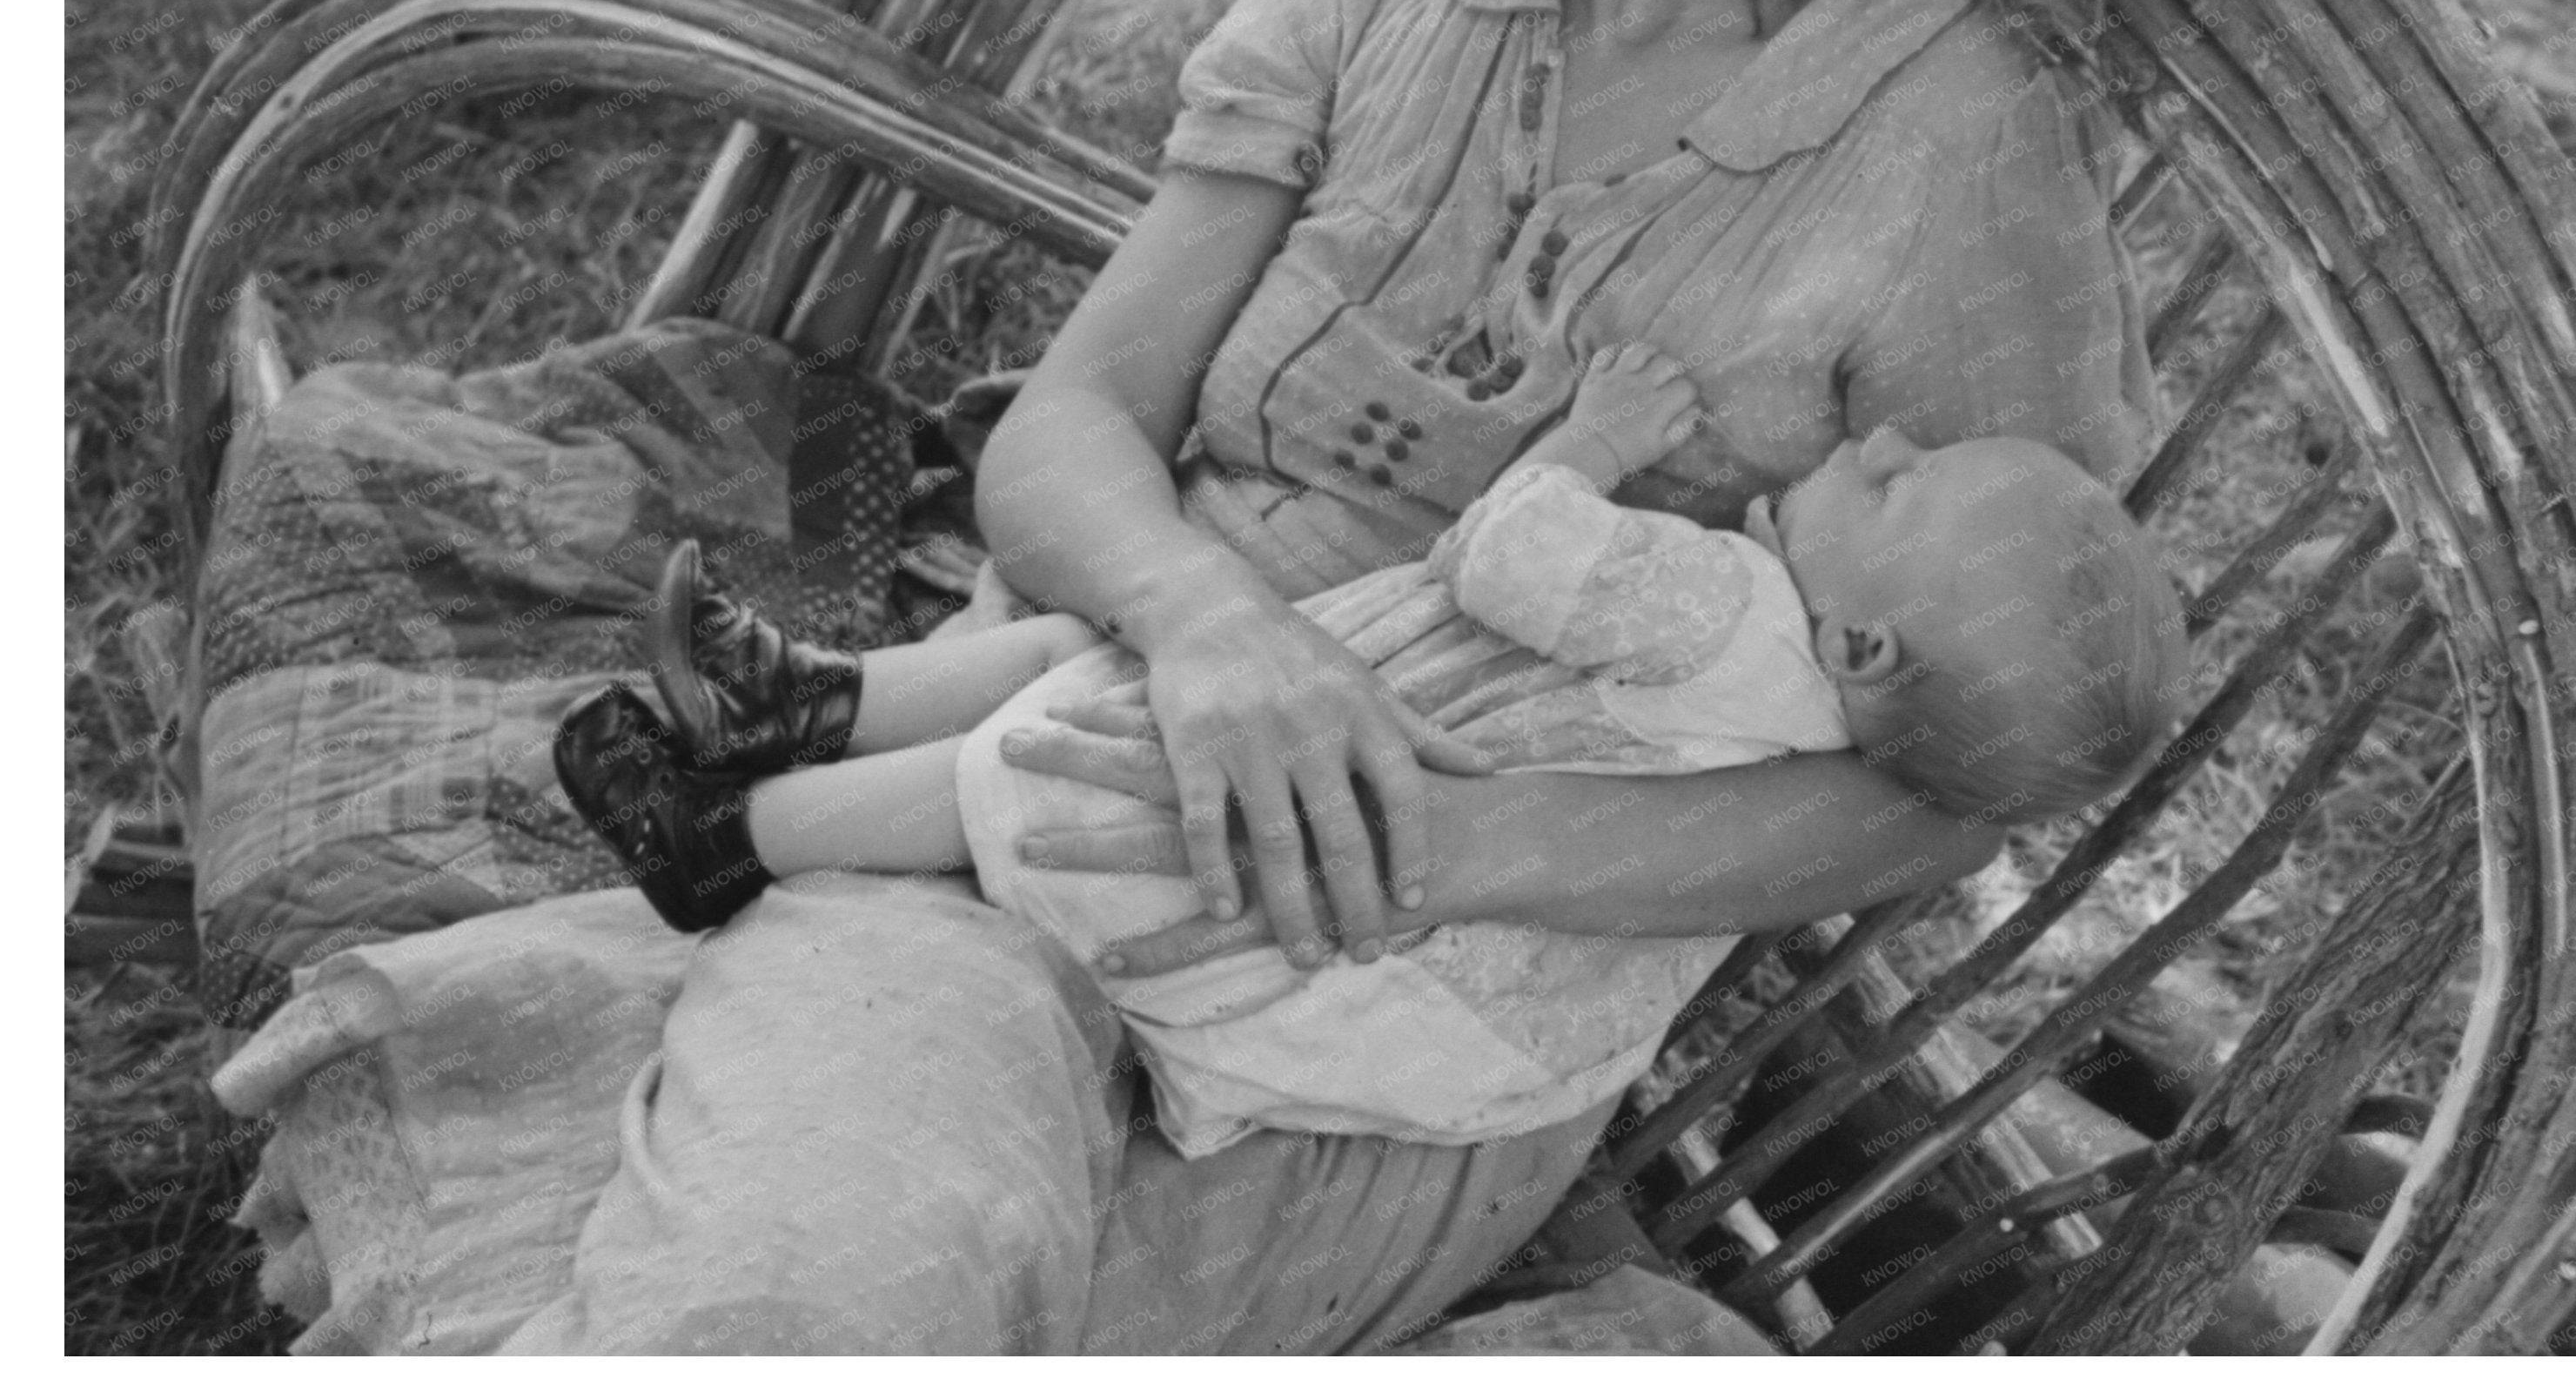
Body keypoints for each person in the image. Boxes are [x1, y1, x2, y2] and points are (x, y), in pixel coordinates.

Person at [497, 0, 2163, 1354]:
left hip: (1411, 989)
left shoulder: (1958, 134)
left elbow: (1973, 753)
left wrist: (1452, 843)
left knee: (933, 1296)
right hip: (1065, 761)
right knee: (805, 1267)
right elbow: (1073, 422)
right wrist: (1211, 636)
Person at [555, 340, 2189, 1154]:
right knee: (1091, 649)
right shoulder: (1795, 721)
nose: (1881, 437)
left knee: (1054, 742)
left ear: (1865, 641)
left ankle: (730, 834)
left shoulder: (1728, 611)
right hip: (1382, 1026)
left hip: (1260, 885)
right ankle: (800, 699)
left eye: (1899, 482)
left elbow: (1508, 552)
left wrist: (1595, 438)